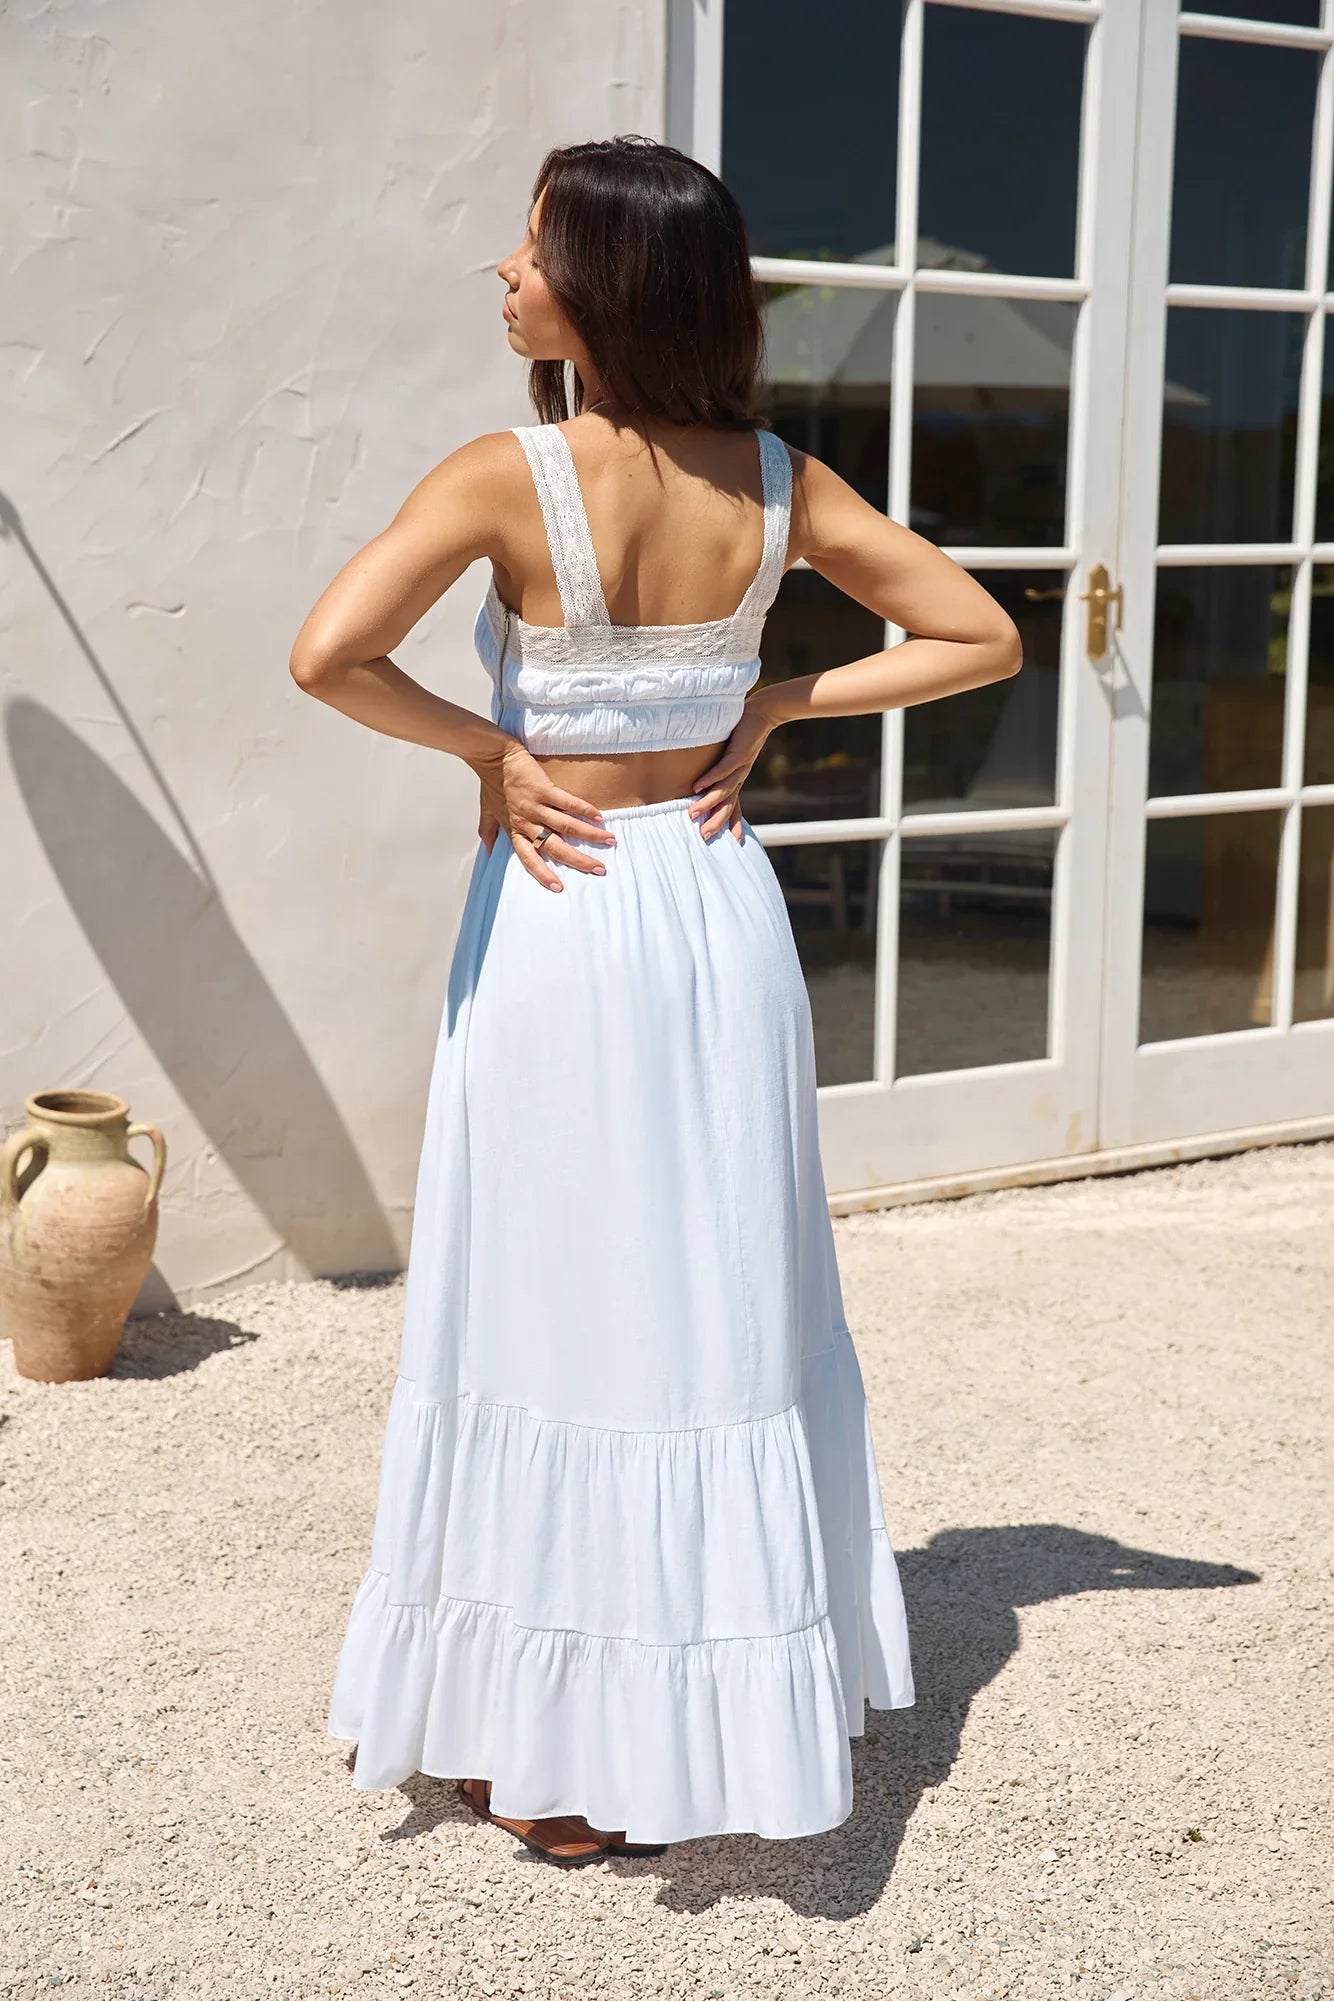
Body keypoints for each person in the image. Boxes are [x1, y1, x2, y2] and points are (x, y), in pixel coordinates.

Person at [291, 134, 1021, 1865]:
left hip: (560, 912)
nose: (504, 271)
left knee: (550, 1305)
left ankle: (551, 1752)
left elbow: (328, 654)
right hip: (710, 910)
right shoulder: (781, 483)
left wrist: (488, 751)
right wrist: (773, 702)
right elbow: (978, 635)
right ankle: (680, 1725)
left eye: (534, 246)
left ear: (609, 283)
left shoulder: (504, 475)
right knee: (704, 1304)